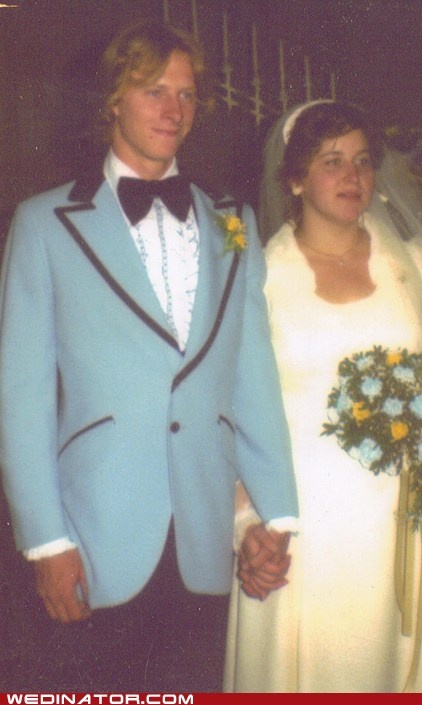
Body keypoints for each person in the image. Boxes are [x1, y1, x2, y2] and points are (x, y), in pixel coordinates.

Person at [0, 20, 298, 693]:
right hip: (94, 534)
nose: (174, 110)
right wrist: (46, 540)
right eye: (154, 91)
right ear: (112, 100)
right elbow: (19, 401)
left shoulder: (234, 220)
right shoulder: (44, 223)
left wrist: (275, 516)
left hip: (205, 533)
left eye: (188, 95)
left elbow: (253, 379)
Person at [223, 101, 422, 693]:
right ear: (295, 178)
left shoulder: (416, 269)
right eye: (332, 161)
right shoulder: (260, 277)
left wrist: (415, 412)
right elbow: (228, 417)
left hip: (403, 518)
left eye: (363, 161)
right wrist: (246, 523)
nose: (352, 177)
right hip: (301, 526)